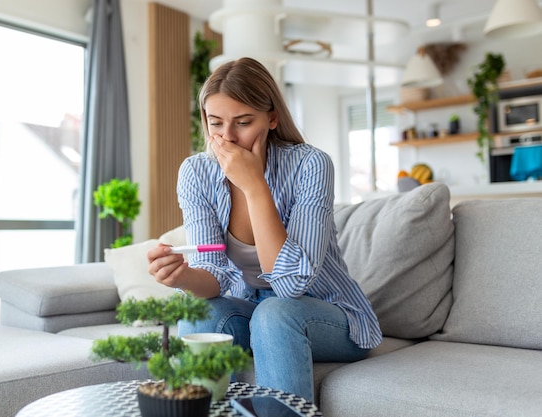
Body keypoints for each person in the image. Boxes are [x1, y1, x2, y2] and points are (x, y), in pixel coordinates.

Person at [146, 57, 382, 402]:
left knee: (275, 313)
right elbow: (214, 276)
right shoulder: (196, 172)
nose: (227, 138)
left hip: (325, 312)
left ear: (272, 118)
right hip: (251, 311)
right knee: (202, 312)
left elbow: (289, 284)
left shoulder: (310, 164)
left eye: (243, 123)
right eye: (216, 124)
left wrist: (254, 185)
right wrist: (181, 278)